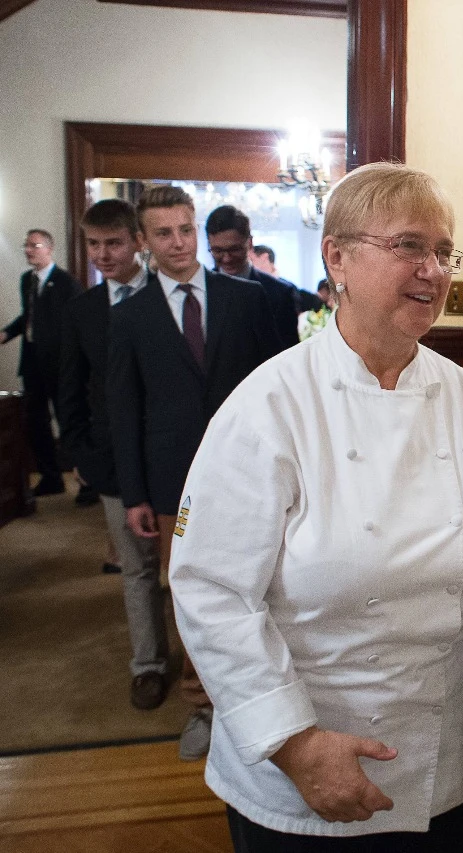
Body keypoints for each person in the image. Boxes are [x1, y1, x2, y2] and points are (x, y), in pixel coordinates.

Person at [168, 162, 463, 850]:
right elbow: (212, 591)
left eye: (444, 252)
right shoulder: (268, 407)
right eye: (409, 246)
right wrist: (295, 743)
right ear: (338, 258)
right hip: (306, 762)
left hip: (446, 748)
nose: (433, 270)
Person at [107, 184, 283, 760]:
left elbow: (278, 389)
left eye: (186, 229)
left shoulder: (246, 298)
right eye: (164, 233)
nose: (178, 243)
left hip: (252, 474)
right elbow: (124, 408)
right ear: (144, 241)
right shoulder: (130, 316)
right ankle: (202, 706)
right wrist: (134, 493)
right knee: (190, 596)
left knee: (264, 586)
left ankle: (261, 700)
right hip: (171, 483)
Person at [59, 199, 167, 710]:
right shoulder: (81, 310)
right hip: (112, 460)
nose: (103, 254)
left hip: (174, 452)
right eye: (93, 244)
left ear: (137, 242)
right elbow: (70, 389)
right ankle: (147, 665)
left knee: (190, 566)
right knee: (138, 568)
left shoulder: (172, 297)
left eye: (114, 243)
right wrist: (80, 453)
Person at [2, 229, 83, 497]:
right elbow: (29, 317)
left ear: (49, 249)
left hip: (59, 365)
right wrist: (6, 334)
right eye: (26, 245)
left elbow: (74, 326)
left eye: (34, 245)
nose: (28, 250)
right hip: (33, 362)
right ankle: (51, 478)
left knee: (69, 420)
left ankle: (87, 482)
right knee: (35, 421)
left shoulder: (65, 283)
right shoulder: (28, 280)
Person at [206, 206, 303, 346]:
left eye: (234, 249)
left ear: (249, 243)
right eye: (218, 251)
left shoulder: (280, 293)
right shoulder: (201, 290)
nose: (226, 258)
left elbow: (287, 352)